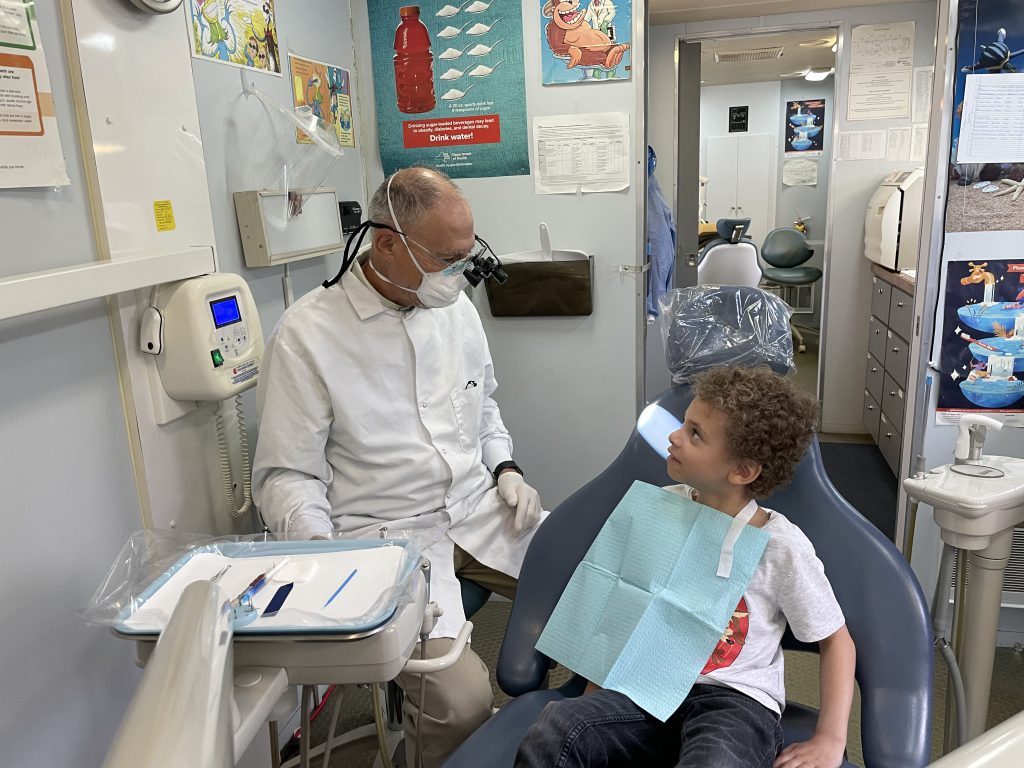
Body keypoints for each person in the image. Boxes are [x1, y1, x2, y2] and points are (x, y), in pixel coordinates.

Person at [253, 166, 546, 768]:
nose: (462, 272)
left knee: (600, 587)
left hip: (478, 509)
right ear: (386, 243)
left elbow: (482, 401)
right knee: (462, 703)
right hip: (385, 540)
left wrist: (506, 469)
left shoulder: (455, 307)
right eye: (447, 257)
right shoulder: (307, 335)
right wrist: (329, 563)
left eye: (468, 254)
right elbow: (288, 476)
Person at [515, 366, 857, 768]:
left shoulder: (779, 546)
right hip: (643, 683)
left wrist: (830, 739)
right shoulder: (662, 509)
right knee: (558, 727)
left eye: (695, 433)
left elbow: (837, 641)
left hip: (734, 701)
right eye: (683, 424)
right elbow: (622, 607)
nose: (674, 437)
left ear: (742, 471)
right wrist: (595, 704)